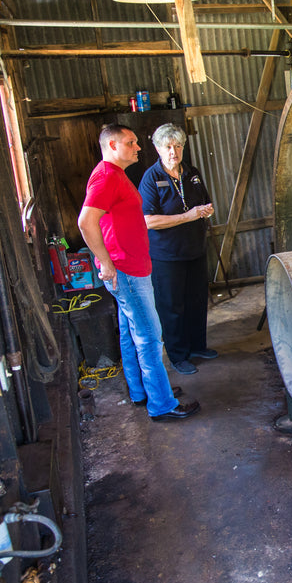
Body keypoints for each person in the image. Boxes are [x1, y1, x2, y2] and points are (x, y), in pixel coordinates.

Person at [78, 124, 200, 421]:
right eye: (130, 142)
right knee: (149, 337)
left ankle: (141, 392)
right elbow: (85, 221)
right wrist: (105, 262)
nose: (138, 147)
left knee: (131, 335)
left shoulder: (115, 174)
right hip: (126, 270)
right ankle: (162, 404)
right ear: (112, 146)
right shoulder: (107, 177)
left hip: (129, 266)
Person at [138, 123, 218, 375]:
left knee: (196, 301)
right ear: (158, 149)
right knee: (172, 306)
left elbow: (202, 203)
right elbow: (148, 220)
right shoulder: (151, 178)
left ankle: (197, 346)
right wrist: (188, 216)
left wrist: (206, 210)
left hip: (194, 249)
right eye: (168, 147)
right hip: (167, 255)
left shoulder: (191, 173)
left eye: (178, 146)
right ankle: (178, 355)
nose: (174, 151)